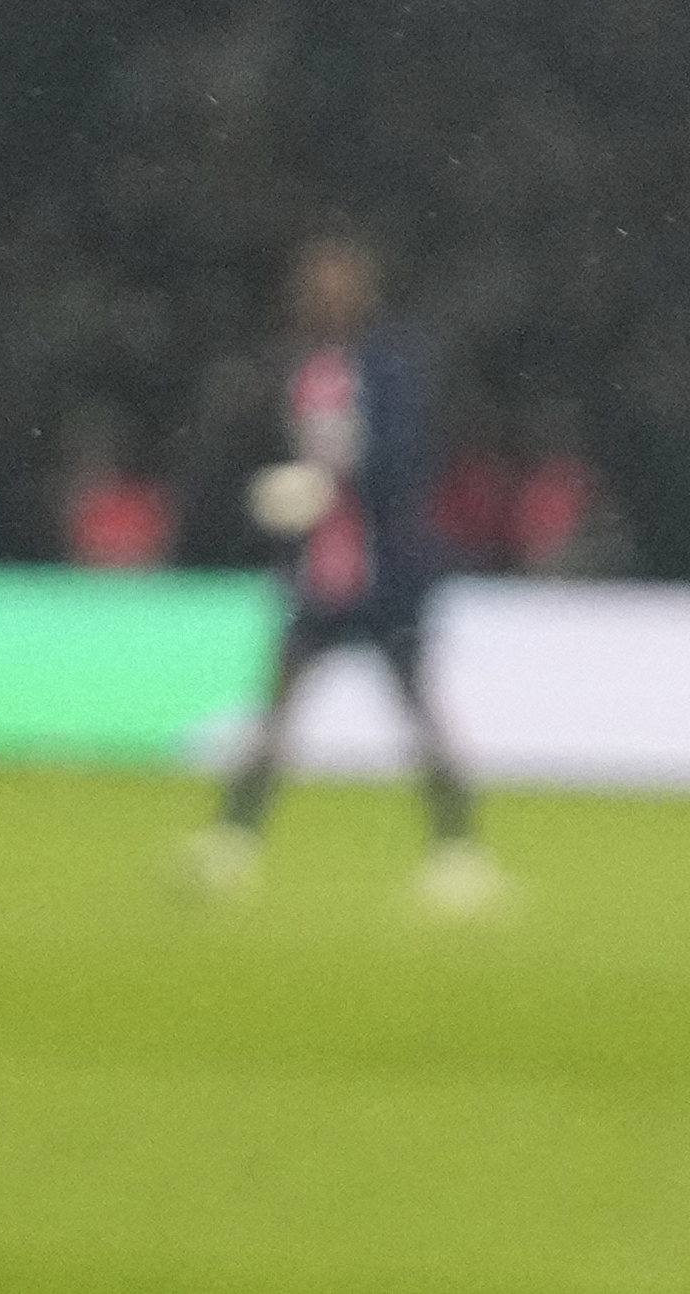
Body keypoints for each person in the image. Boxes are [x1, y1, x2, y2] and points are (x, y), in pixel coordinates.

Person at [183, 230, 501, 914]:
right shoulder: (292, 370)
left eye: (338, 284)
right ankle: (232, 843)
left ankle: (459, 852)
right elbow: (259, 451)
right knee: (275, 713)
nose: (325, 296)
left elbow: (407, 461)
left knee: (420, 715)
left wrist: (329, 485)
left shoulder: (389, 369)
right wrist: (271, 497)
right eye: (316, 284)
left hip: (385, 575)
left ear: (362, 292)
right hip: (317, 577)